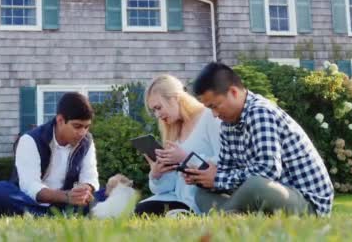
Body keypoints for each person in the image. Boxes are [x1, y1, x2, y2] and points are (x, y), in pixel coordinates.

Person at [183, 62, 334, 216]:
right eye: (209, 108)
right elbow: (227, 173)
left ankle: (229, 217)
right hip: (265, 200)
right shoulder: (227, 124)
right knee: (201, 194)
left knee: (255, 184)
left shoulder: (260, 112)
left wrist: (217, 178)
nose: (214, 114)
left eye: (216, 106)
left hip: (306, 204)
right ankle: (236, 217)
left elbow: (267, 172)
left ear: (234, 92)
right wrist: (204, 178)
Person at [0, 92, 129, 216]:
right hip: (32, 202)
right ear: (60, 120)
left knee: (119, 191)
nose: (82, 133)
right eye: (77, 126)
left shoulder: (86, 141)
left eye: (86, 127)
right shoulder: (30, 140)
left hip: (70, 203)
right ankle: (52, 215)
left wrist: (84, 190)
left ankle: (47, 216)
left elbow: (90, 178)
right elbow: (30, 186)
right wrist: (66, 196)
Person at [134, 74, 222, 216]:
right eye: (154, 111)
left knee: (150, 212)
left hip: (202, 199)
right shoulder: (172, 129)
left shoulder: (209, 117)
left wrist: (185, 158)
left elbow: (224, 162)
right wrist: (156, 174)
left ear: (175, 98)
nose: (157, 115)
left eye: (158, 107)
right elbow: (169, 186)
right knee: (140, 210)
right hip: (178, 198)